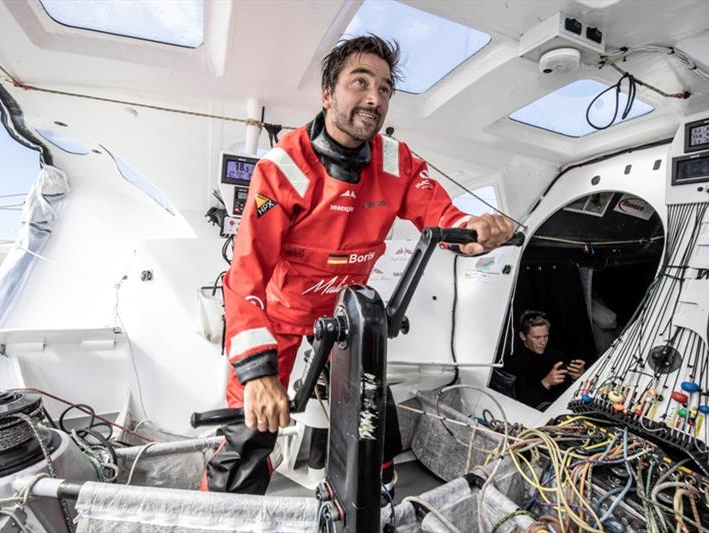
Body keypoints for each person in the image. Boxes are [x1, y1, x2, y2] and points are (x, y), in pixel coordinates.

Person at [204, 35, 515, 494]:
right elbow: (245, 272)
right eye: (361, 82)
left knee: (373, 413)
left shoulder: (398, 163)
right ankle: (221, 516)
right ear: (328, 93)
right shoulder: (282, 169)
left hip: (346, 315)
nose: (375, 97)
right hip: (283, 318)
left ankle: (378, 501)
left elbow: (445, 219)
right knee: (250, 432)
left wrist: (477, 229)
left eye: (386, 88)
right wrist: (257, 373)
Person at [506, 310, 586, 410]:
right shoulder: (515, 363)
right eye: (537, 337)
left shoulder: (556, 355)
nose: (543, 342)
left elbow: (569, 389)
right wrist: (546, 383)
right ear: (523, 336)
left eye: (546, 336)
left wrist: (579, 377)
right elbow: (519, 403)